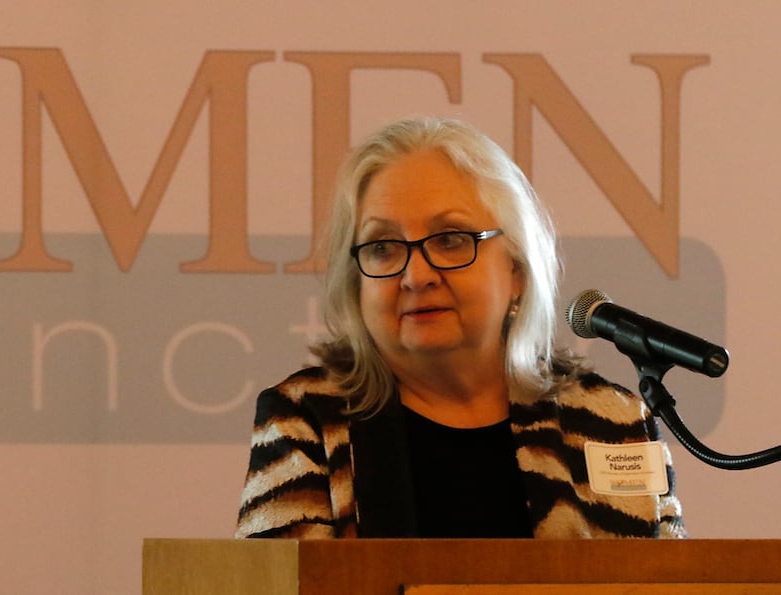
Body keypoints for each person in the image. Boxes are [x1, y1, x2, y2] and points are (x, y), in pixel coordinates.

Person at [235, 115, 686, 540]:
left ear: (517, 270)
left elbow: (669, 582)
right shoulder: (306, 421)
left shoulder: (614, 418)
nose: (416, 275)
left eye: (450, 240)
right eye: (383, 247)